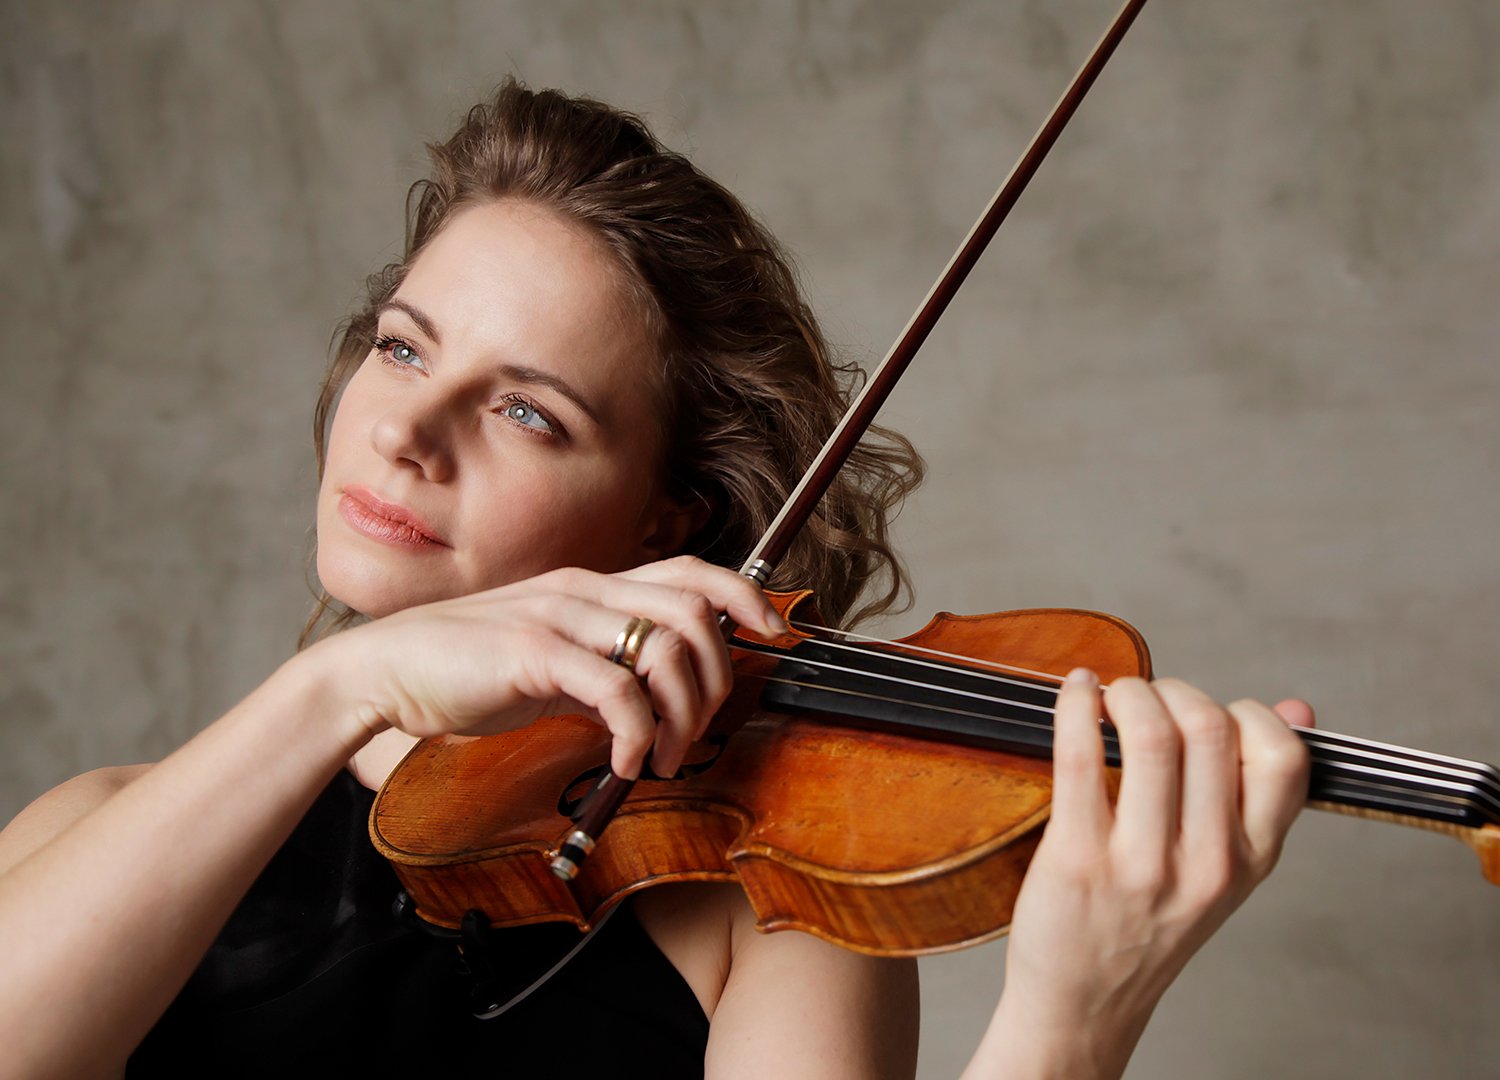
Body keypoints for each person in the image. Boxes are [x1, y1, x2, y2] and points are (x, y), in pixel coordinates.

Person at [0, 80, 1314, 1078]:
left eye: (526, 413)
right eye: (404, 349)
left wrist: (1066, 1028)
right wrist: (336, 687)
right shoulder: (105, 823)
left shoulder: (768, 919)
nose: (404, 429)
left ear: (662, 524)